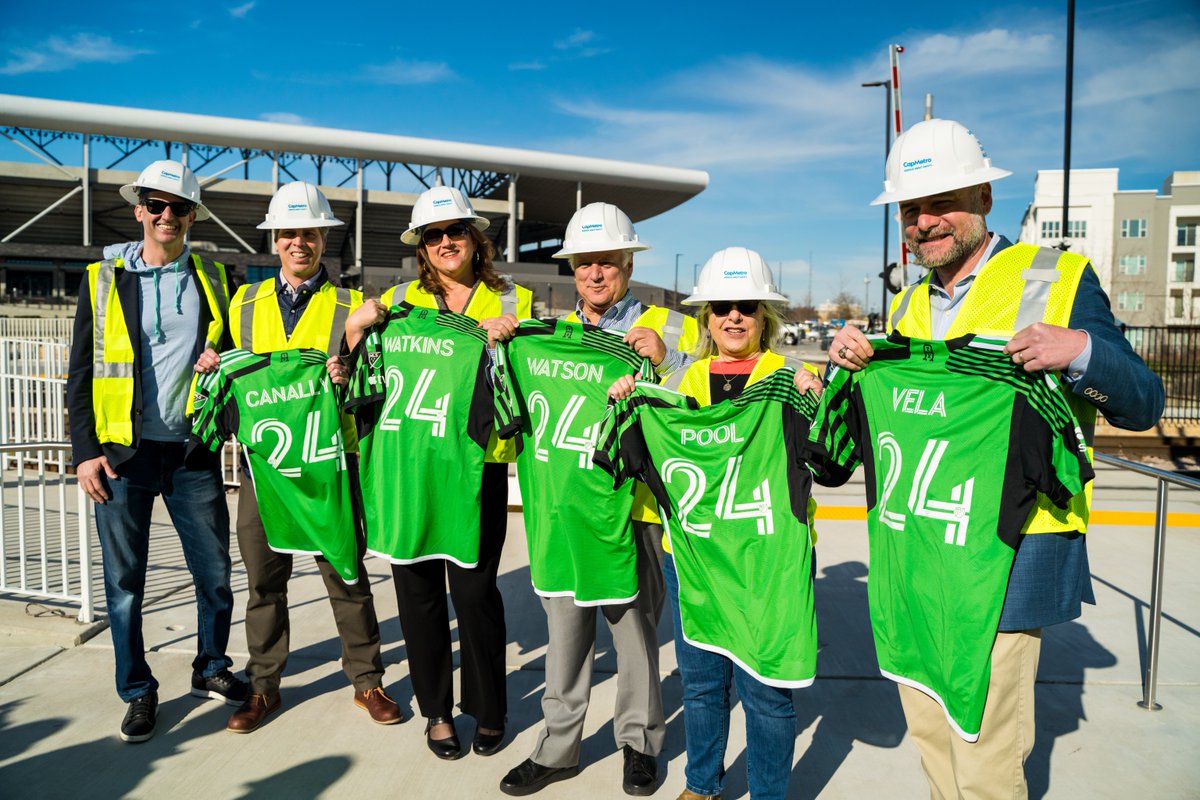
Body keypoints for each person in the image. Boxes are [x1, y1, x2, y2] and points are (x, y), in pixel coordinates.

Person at [827, 118, 1164, 799]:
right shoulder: (908, 305)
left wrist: (1080, 353)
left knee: (983, 745)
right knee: (928, 719)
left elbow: (1145, 401)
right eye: (912, 209)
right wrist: (849, 363)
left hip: (1013, 549)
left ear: (984, 195)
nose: (926, 221)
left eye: (943, 201)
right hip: (919, 549)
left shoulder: (1057, 276)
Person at [609, 247, 823, 800]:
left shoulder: (794, 378)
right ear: (705, 317)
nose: (734, 317)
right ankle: (701, 785)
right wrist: (627, 401)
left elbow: (832, 459)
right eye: (722, 306)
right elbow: (621, 453)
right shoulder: (679, 384)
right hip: (695, 559)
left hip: (768, 564)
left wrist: (819, 402)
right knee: (702, 685)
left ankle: (770, 792)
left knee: (768, 690)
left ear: (765, 317)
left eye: (746, 307)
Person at [499, 202, 698, 797]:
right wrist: (496, 345)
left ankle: (639, 743)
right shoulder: (548, 337)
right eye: (585, 264)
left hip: (633, 511)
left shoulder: (670, 326)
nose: (595, 274)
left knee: (634, 634)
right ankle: (558, 747)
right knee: (564, 634)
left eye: (606, 263)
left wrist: (667, 362)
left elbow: (704, 397)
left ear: (627, 264)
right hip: (563, 507)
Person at [346, 185, 530, 759]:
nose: (446, 242)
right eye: (434, 235)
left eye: (455, 232)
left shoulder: (514, 301)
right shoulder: (396, 301)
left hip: (478, 470)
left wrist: (509, 343)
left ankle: (489, 708)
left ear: (476, 239)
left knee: (476, 596)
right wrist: (354, 334)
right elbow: (359, 383)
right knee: (417, 594)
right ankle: (437, 713)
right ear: (421, 248)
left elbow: (533, 385)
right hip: (409, 470)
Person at [213, 181, 401, 733]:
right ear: (276, 240)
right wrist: (210, 367)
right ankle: (264, 687)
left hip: (329, 463)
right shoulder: (243, 302)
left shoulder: (350, 304)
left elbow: (374, 384)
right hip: (265, 468)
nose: (300, 242)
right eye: (290, 233)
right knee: (264, 582)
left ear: (324, 239)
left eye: (310, 233)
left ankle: (368, 682)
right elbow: (233, 374)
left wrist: (347, 374)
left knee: (346, 575)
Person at [66, 159, 244, 742]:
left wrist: (224, 361)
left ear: (194, 215)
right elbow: (83, 372)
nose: (168, 215)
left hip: (191, 452)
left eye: (180, 207)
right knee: (124, 584)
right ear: (139, 208)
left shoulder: (216, 277)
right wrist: (85, 451)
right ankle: (138, 691)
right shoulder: (104, 278)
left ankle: (211, 668)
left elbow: (240, 353)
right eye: (157, 204)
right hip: (122, 456)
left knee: (215, 573)